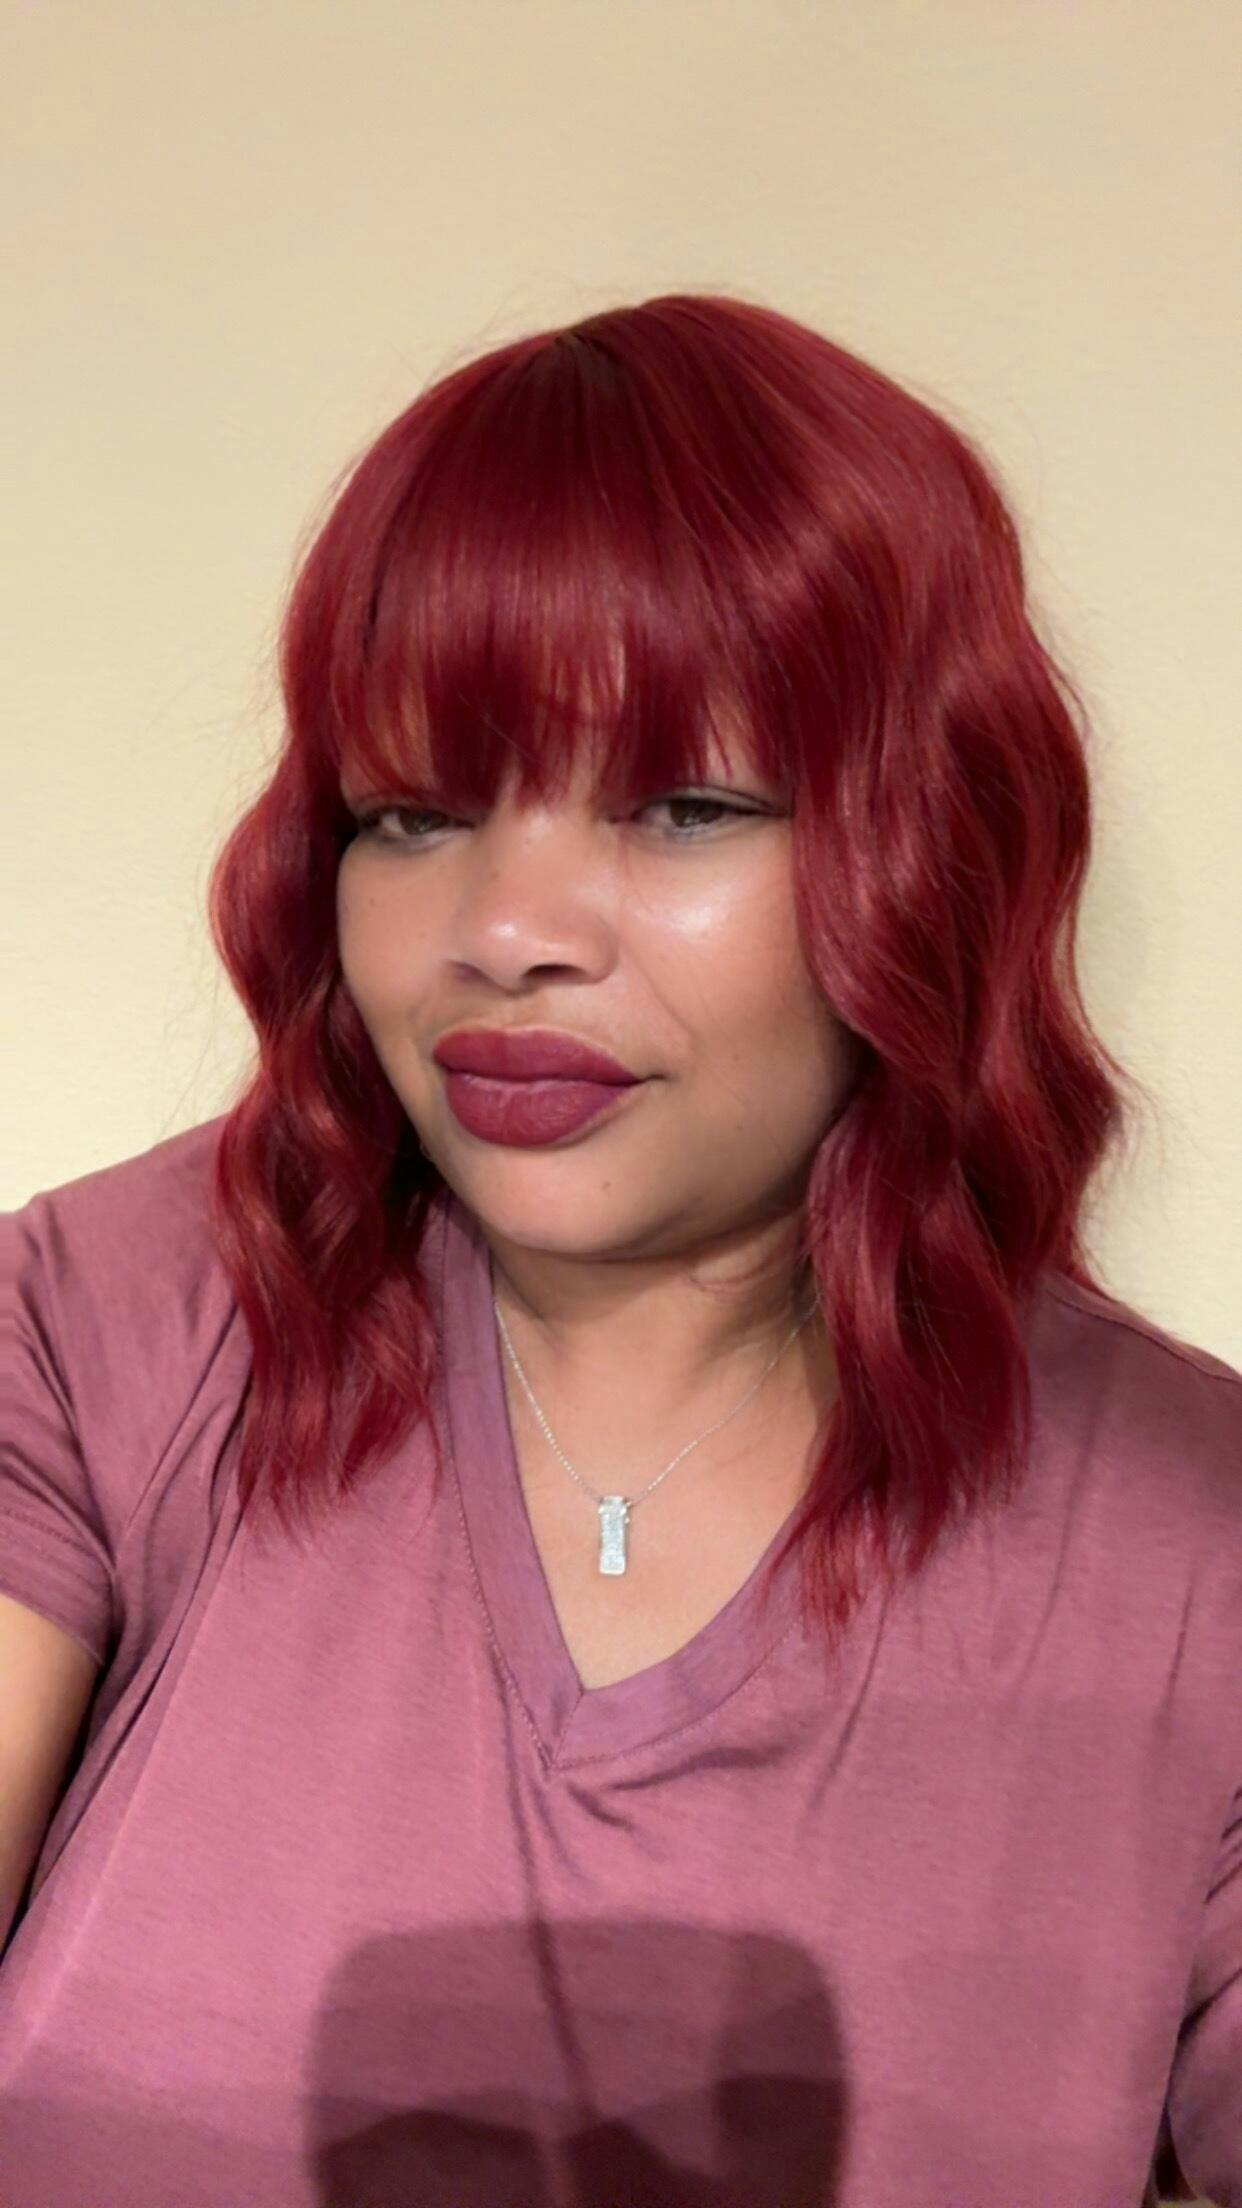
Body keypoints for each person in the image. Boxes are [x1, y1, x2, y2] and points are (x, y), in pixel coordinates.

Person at [1, 291, 1237, 2208]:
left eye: (682, 805)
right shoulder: (107, 1331)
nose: (505, 931)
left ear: (930, 849)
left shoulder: (1192, 1550)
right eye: (411, 812)